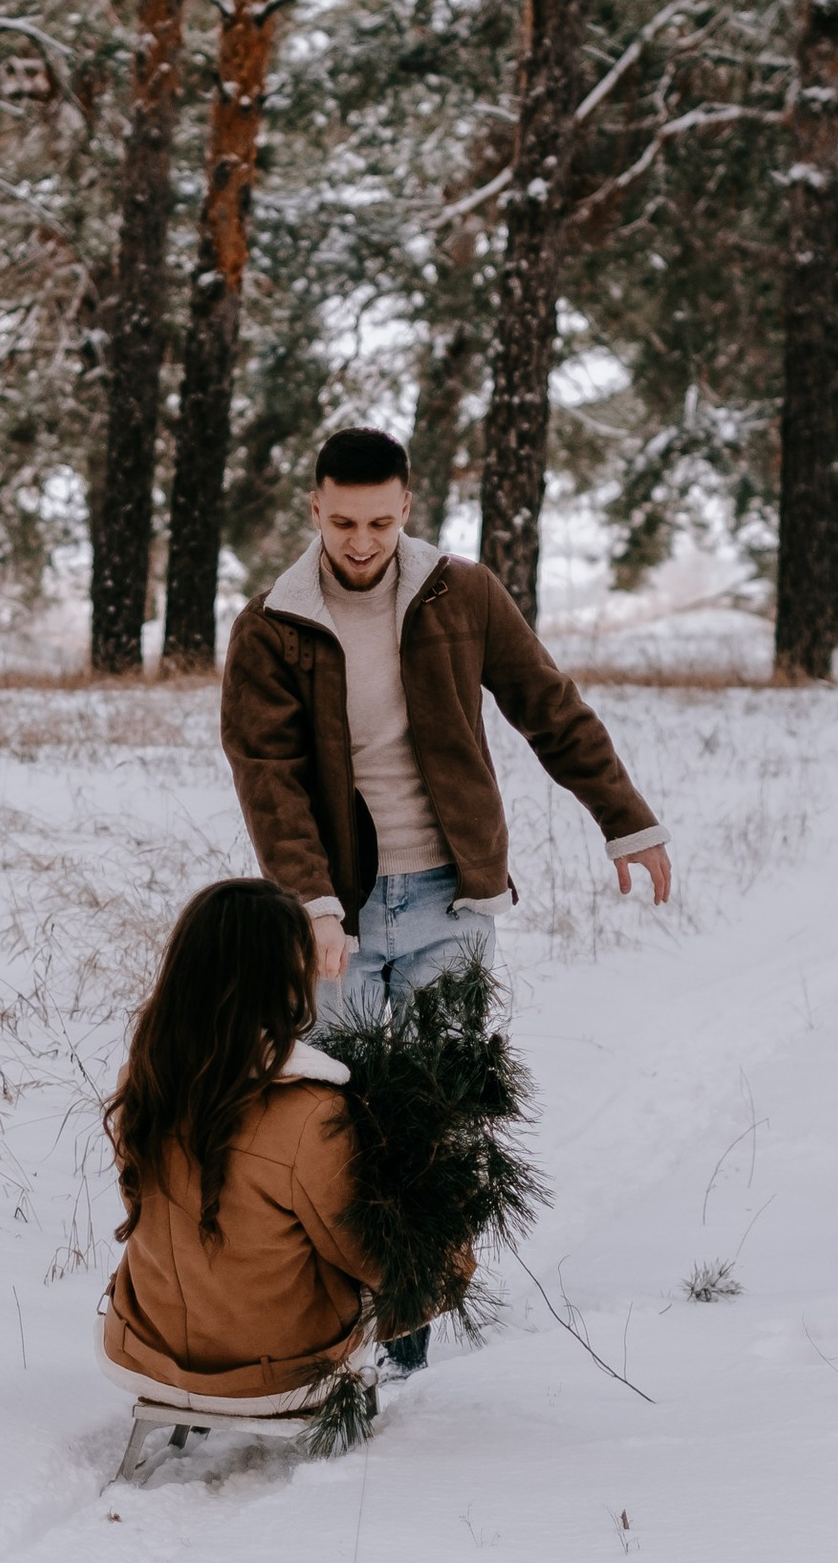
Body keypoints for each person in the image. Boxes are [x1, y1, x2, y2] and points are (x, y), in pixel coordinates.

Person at [219, 423, 670, 1368]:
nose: (361, 541)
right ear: (314, 508)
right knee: (329, 1117)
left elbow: (548, 705)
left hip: (448, 900)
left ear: (408, 508)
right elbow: (269, 776)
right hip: (335, 914)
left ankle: (413, 1315)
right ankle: (330, 1319)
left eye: (380, 522)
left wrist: (625, 818)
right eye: (343, 521)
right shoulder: (272, 625)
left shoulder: (460, 594)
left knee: (436, 1114)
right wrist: (312, 904)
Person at [99, 876, 402, 1418]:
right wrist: (442, 1249)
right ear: (280, 977)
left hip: (145, 1352)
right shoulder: (311, 1110)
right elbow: (362, 1254)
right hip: (276, 1374)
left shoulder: (143, 1081)